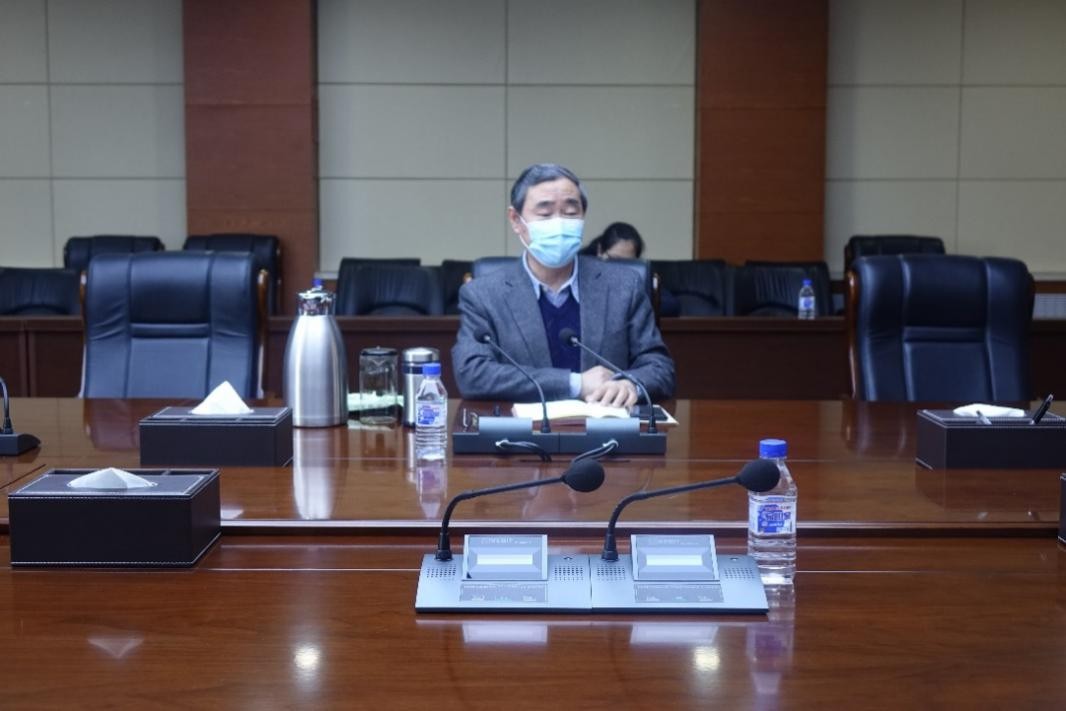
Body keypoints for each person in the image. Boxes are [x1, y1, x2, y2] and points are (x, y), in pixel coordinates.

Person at [452, 163, 675, 408]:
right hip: (522, 429)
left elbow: (659, 367)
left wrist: (630, 385)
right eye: (545, 214)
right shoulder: (483, 295)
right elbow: (472, 374)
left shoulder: (623, 286)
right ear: (516, 220)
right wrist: (575, 384)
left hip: (606, 425)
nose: (559, 224)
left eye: (570, 212)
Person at [580, 222, 645, 260]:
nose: (620, 267)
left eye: (628, 262)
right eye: (614, 260)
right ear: (600, 251)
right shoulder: (580, 271)